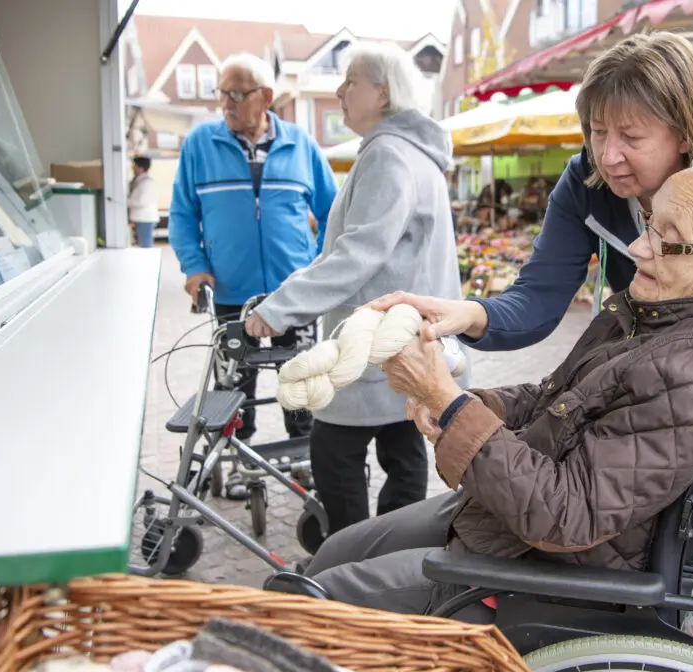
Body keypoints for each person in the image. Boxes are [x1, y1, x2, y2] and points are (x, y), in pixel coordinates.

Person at [294, 141, 693, 616]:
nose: (640, 248)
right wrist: (455, 403)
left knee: (309, 600)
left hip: (555, 576)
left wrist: (448, 399)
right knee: (333, 552)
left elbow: (568, 516)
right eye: (650, 224)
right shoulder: (652, 313)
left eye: (672, 241)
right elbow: (552, 402)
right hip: (508, 523)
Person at [376, 32, 693, 425]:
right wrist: (464, 314)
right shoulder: (586, 183)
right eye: (598, 131)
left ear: (685, 131)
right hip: (667, 325)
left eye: (632, 136)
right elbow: (538, 300)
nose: (608, 156)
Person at [243, 42, 469, 534]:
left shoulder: (389, 155)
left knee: (335, 451)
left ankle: (352, 553)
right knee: (402, 449)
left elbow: (357, 252)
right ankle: (388, 554)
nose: (340, 91)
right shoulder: (412, 154)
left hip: (374, 342)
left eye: (351, 82)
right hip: (403, 341)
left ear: (383, 93)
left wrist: (282, 308)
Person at [168, 53, 338, 498]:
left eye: (236, 93)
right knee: (232, 385)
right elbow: (183, 215)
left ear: (265, 97)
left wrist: (318, 267)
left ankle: (305, 461)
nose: (226, 102)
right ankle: (240, 462)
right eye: (221, 92)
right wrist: (195, 267)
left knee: (300, 379)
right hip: (230, 294)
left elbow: (333, 213)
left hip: (294, 292)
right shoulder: (199, 144)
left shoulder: (301, 145)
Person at [127, 156, 159, 248]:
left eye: (134, 166)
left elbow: (142, 202)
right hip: (141, 218)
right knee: (143, 244)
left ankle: (149, 262)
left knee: (146, 245)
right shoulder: (140, 181)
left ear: (140, 168)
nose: (132, 168)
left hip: (145, 218)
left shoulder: (146, 183)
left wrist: (125, 202)